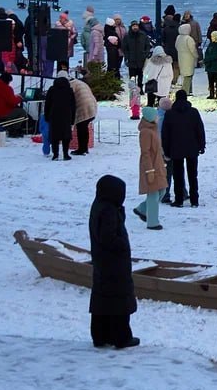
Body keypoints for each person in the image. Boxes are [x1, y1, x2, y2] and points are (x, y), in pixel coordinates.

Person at [89, 175, 139, 349]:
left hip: (102, 261)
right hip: (114, 264)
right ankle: (121, 337)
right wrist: (123, 245)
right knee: (119, 300)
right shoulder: (109, 210)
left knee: (103, 298)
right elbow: (108, 237)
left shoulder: (99, 206)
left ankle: (101, 336)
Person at [161, 89, 206, 207]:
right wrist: (201, 145)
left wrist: (166, 150)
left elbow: (165, 134)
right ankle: (194, 200)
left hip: (175, 149)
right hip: (192, 147)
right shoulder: (193, 112)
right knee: (193, 175)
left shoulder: (170, 114)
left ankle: (179, 199)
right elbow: (200, 130)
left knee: (178, 175)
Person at [132, 106, 167, 230]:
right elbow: (145, 152)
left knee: (162, 190)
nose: (158, 117)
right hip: (151, 165)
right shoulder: (146, 132)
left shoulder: (153, 129)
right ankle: (152, 222)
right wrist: (149, 170)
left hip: (158, 164)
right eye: (156, 115)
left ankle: (142, 209)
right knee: (153, 193)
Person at [44, 71, 77, 161]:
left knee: (54, 135)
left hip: (54, 115)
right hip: (66, 115)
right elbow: (73, 106)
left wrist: (46, 116)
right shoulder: (69, 90)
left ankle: (55, 155)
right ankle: (66, 154)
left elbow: (47, 104)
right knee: (66, 135)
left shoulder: (52, 89)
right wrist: (72, 119)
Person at [69, 72, 98, 156]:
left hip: (84, 107)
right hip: (92, 106)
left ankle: (81, 149)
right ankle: (85, 148)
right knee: (84, 128)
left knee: (81, 129)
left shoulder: (71, 84)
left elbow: (69, 98)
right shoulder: (81, 83)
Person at [175, 23, 197, 96]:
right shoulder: (189, 39)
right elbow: (193, 49)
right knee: (188, 75)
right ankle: (186, 91)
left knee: (185, 75)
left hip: (181, 58)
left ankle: (188, 90)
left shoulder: (178, 37)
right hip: (189, 59)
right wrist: (196, 56)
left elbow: (176, 46)